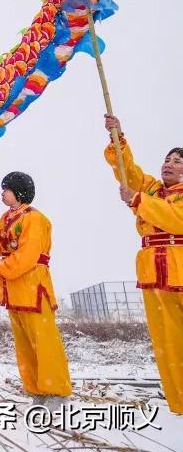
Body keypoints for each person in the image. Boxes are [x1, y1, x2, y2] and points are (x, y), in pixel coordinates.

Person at [102, 115, 182, 414]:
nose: (169, 164)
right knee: (167, 343)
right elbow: (128, 172)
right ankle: (179, 404)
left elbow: (176, 219)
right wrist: (117, 138)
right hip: (153, 272)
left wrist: (138, 201)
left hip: (180, 266)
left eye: (177, 161)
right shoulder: (152, 189)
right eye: (167, 159)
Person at [0, 171, 71, 410]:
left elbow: (28, 255)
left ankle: (57, 390)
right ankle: (36, 389)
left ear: (19, 192)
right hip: (13, 290)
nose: (2, 193)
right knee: (24, 345)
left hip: (33, 287)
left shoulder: (35, 218)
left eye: (6, 189)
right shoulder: (7, 217)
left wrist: (2, 265)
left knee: (44, 343)